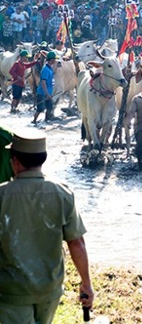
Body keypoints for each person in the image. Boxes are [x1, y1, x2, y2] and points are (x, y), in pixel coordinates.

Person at [0, 129, 94, 323]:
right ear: (43, 159)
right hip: (49, 289)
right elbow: (77, 243)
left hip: (12, 291)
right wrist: (86, 284)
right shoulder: (62, 194)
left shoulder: (2, 196)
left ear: (14, 160)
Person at [33, 51, 58, 124]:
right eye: (54, 59)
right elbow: (43, 83)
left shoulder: (50, 68)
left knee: (50, 107)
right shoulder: (46, 70)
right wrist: (47, 94)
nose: (55, 61)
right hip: (42, 93)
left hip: (48, 92)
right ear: (52, 59)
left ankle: (46, 119)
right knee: (40, 109)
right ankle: (34, 121)